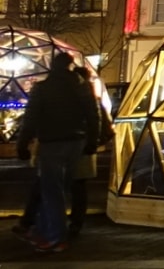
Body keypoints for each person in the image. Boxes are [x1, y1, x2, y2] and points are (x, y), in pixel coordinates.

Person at [15, 52, 99, 253]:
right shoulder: (82, 87)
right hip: (76, 143)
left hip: (52, 143)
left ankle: (55, 237)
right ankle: (45, 232)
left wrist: (22, 144)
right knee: (59, 189)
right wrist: (92, 142)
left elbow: (30, 120)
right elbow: (94, 116)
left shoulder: (43, 88)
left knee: (51, 190)